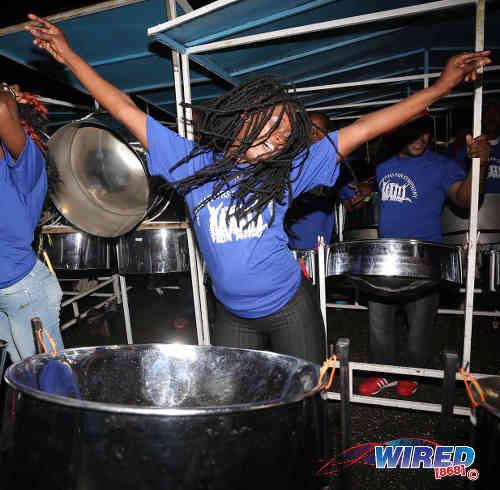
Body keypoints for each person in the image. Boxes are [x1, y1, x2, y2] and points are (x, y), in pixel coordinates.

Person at [26, 13, 491, 365]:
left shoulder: (290, 170)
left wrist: (441, 86)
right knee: (243, 400)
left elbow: (368, 126)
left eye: (280, 135)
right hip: (231, 313)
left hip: (289, 306)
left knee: (304, 396)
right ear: (241, 118)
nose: (270, 140)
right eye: (265, 125)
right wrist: (67, 56)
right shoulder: (192, 162)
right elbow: (124, 108)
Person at [358, 115, 491, 397]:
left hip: (425, 259)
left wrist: (480, 164)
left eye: (425, 134)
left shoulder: (442, 166)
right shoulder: (384, 167)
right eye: (414, 134)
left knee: (420, 323)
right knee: (379, 320)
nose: (421, 140)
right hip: (388, 257)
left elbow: (466, 200)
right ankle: (384, 373)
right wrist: (366, 191)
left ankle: (414, 371)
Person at [0, 81, 64, 362]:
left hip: (23, 289)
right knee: (21, 377)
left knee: (48, 381)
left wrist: (7, 95)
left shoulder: (28, 165)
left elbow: (1, 107)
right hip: (10, 290)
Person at [286, 112, 374, 251]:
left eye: (319, 129)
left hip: (317, 251)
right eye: (309, 130)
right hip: (284, 249)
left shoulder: (337, 168)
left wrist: (367, 193)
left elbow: (353, 204)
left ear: (330, 134)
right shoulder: (290, 165)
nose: (313, 134)